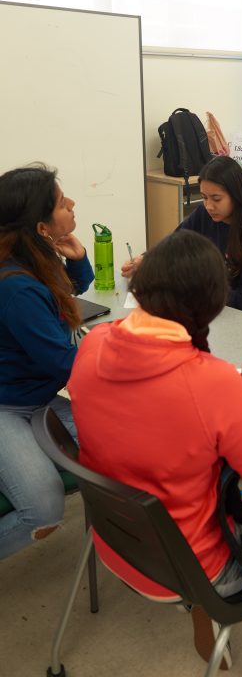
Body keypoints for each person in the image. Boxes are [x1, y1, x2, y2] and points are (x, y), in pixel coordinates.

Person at [69, 229, 242, 668]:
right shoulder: (212, 381)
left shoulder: (92, 344)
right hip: (193, 570)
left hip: (114, 540)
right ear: (210, 304)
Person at [0, 164, 94, 559]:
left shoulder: (34, 261)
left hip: (37, 399)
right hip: (8, 407)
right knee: (43, 512)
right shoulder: (16, 285)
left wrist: (78, 259)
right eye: (60, 203)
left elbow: (62, 294)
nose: (71, 204)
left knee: (125, 447)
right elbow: (65, 365)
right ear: (40, 228)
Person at [122, 156, 242, 315]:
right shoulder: (205, 215)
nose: (209, 206)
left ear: (237, 195)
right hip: (210, 310)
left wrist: (199, 289)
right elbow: (174, 245)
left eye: (216, 199)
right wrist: (147, 260)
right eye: (204, 198)